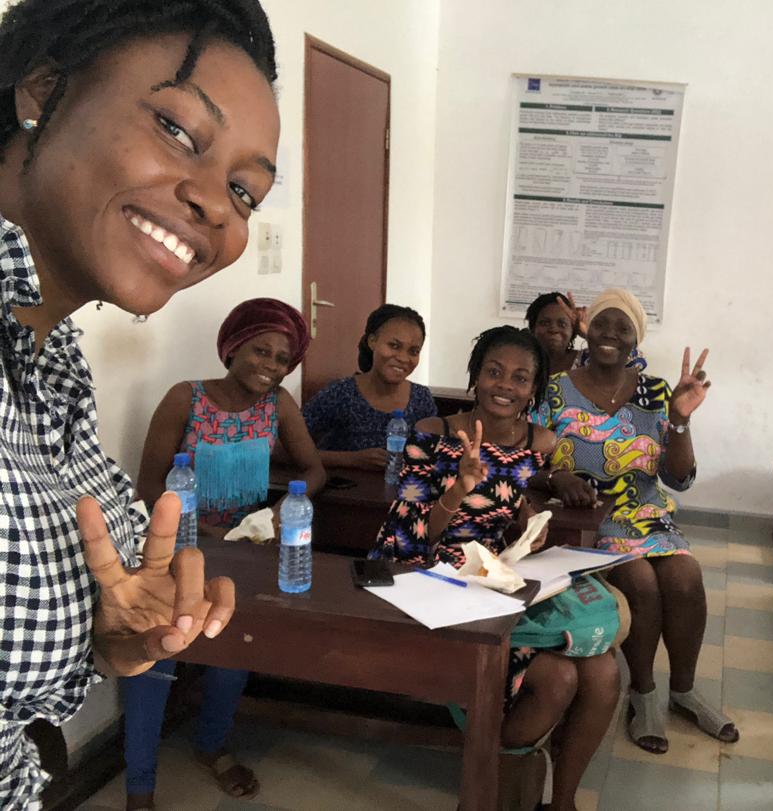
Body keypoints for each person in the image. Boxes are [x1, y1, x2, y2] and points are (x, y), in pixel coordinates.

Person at [0, 2, 279, 806]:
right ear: (44, 89)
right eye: (179, 131)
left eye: (244, 190)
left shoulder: (53, 374)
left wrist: (106, 635)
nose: (218, 207)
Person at [371, 326, 619, 811]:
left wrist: (527, 515)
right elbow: (408, 538)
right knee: (560, 679)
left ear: (534, 389)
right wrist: (458, 490)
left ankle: (561, 802)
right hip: (421, 575)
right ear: (475, 376)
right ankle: (487, 781)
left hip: (486, 574)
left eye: (520, 378)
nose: (505, 386)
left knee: (604, 672)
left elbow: (512, 489)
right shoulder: (432, 434)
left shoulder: (539, 440)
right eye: (494, 372)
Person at [127, 298, 322, 808]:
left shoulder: (278, 405)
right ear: (233, 346)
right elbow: (149, 488)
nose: (270, 366)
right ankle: (139, 785)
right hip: (175, 549)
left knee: (236, 655)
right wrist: (201, 535)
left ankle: (212, 745)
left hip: (244, 552)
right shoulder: (185, 399)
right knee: (156, 656)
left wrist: (286, 506)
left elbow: (313, 468)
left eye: (282, 360)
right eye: (261, 351)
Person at [536, 287, 738, 754]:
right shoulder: (556, 387)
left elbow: (679, 478)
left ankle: (684, 690)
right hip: (588, 518)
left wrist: (681, 419)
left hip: (647, 512)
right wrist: (559, 475)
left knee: (686, 576)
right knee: (640, 582)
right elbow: (532, 454)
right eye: (603, 323)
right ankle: (644, 694)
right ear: (589, 331)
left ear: (636, 339)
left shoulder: (657, 391)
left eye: (623, 327)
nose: (611, 334)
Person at [303, 303, 436, 470]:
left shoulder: (421, 398)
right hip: (344, 493)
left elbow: (432, 458)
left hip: (403, 493)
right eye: (394, 346)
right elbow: (281, 448)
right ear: (372, 341)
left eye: (413, 351)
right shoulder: (342, 393)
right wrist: (351, 459)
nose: (403, 358)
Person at [526, 290, 647, 375]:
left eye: (562, 324)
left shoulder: (588, 359)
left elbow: (636, 362)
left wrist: (587, 333)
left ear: (573, 330)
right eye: (545, 323)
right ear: (533, 328)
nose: (553, 329)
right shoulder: (523, 360)